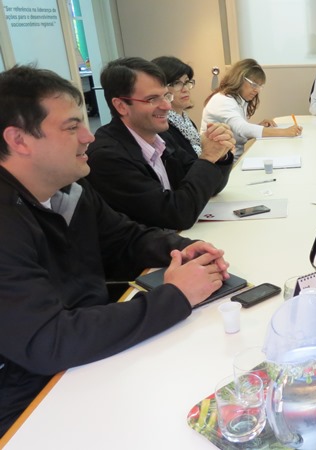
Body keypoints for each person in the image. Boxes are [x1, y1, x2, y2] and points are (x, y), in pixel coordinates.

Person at [0, 65, 231, 436]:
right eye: (72, 127)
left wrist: (185, 249)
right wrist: (176, 296)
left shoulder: (69, 188)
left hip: (86, 363)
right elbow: (49, 341)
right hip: (33, 404)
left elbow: (125, 238)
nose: (88, 136)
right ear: (19, 140)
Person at [87, 57, 235, 231]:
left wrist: (220, 153)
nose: (166, 105)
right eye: (152, 99)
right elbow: (176, 215)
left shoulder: (160, 137)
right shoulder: (107, 157)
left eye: (166, 95)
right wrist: (208, 157)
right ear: (121, 106)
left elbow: (211, 187)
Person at [202, 58, 303, 158]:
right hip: (220, 164)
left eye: (260, 86)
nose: (257, 90)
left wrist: (259, 127)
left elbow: (239, 133)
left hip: (231, 159)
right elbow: (242, 129)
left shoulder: (239, 100)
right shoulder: (222, 100)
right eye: (254, 85)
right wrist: (285, 132)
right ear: (239, 79)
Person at [152, 55, 201, 156]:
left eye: (187, 82)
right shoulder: (163, 127)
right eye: (176, 83)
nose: (185, 89)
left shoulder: (184, 119)